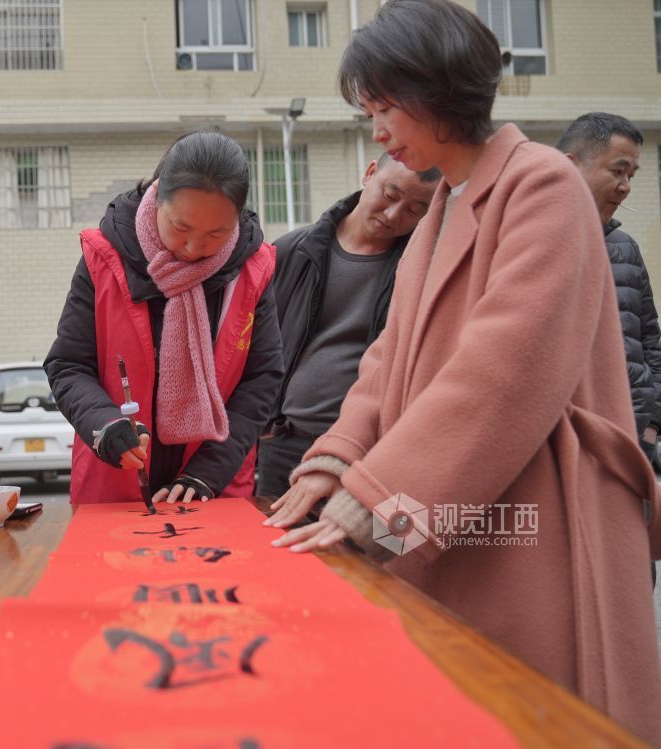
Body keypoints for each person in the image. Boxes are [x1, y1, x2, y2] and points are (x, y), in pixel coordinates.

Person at [263, 0, 661, 741]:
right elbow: (386, 361)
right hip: (455, 488)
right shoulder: (443, 203)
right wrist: (334, 460)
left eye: (385, 107)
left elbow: (506, 365)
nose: (377, 130)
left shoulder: (541, 184)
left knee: (532, 709)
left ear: (437, 93)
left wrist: (377, 496)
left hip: (533, 498)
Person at [45, 131, 283, 505]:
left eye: (216, 234)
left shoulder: (253, 270)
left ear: (238, 219)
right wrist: (104, 426)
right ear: (157, 197)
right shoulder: (104, 257)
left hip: (211, 486)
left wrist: (209, 472)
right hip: (115, 483)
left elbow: (262, 380)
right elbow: (69, 364)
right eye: (181, 227)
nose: (193, 249)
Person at [258, 154, 439, 497]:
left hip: (374, 452)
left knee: (381, 548)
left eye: (415, 210)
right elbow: (260, 346)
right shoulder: (291, 252)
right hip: (284, 444)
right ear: (370, 173)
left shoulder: (423, 269)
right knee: (276, 546)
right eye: (390, 194)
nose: (394, 215)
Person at [557, 113, 661, 470]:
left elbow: (650, 343)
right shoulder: (526, 241)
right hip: (561, 447)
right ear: (571, 166)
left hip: (631, 442)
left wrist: (650, 427)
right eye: (617, 172)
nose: (626, 186)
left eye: (630, 175)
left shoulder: (625, 248)